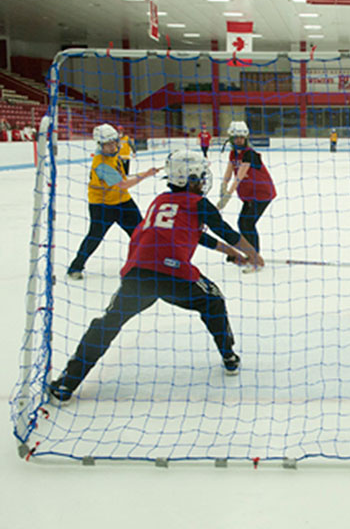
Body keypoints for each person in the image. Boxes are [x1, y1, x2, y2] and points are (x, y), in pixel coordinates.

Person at [47, 150, 264, 404]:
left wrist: (231, 254)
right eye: (200, 177)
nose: (203, 181)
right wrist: (253, 254)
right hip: (174, 275)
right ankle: (229, 356)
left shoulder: (160, 200)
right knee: (213, 300)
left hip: (138, 273)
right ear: (190, 179)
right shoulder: (198, 204)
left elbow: (197, 234)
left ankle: (66, 383)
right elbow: (224, 230)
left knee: (108, 323)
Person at [66, 123, 160, 280]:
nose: (112, 146)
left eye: (114, 142)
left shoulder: (114, 155)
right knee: (95, 236)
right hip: (103, 206)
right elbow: (122, 184)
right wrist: (146, 175)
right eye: (107, 144)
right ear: (100, 145)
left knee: (140, 233)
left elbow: (121, 179)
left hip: (123, 201)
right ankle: (75, 268)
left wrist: (145, 172)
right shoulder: (101, 163)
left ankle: (152, 263)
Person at [217, 121, 276, 272]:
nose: (239, 141)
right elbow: (229, 172)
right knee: (243, 223)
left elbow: (240, 176)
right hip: (250, 195)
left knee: (247, 224)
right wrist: (223, 187)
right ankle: (251, 254)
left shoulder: (249, 154)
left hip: (261, 194)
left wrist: (228, 195)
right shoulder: (233, 153)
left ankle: (255, 259)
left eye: (241, 138)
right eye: (236, 138)